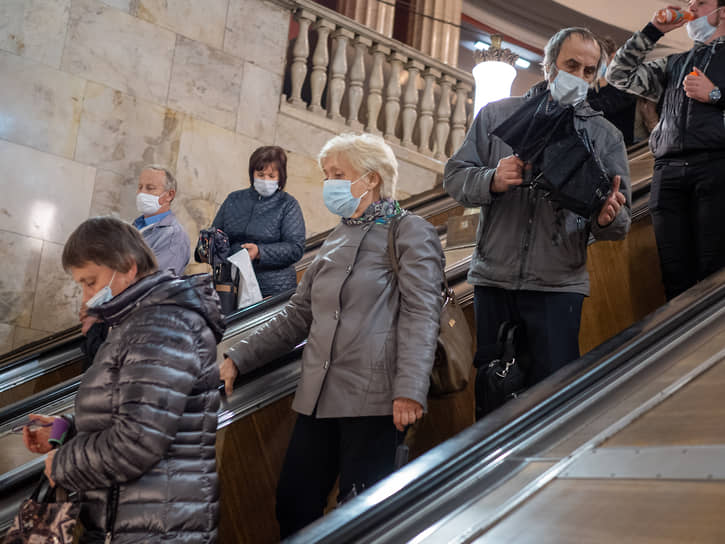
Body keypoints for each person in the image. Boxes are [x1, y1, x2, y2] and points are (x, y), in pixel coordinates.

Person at [218, 133, 444, 538]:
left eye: (338, 174)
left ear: (371, 179)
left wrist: (409, 388)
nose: (329, 185)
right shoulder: (335, 239)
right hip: (318, 398)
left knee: (359, 514)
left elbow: (421, 313)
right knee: (293, 502)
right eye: (327, 176)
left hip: (375, 400)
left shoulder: (410, 231)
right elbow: (297, 315)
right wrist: (238, 357)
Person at [444, 27, 631, 419]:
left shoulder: (606, 136)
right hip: (494, 280)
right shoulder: (497, 115)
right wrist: (491, 179)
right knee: (492, 396)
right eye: (571, 65)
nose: (579, 76)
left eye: (588, 70)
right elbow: (455, 178)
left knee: (552, 404)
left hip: (558, 287)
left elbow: (621, 223)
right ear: (548, 66)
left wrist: (606, 218)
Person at [22, 217, 224, 543]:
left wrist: (63, 462)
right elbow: (128, 409)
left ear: (128, 267)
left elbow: (137, 441)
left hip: (159, 526)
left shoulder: (163, 325)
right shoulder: (135, 322)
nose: (87, 297)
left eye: (91, 282)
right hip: (134, 518)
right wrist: (65, 429)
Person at [607, 1, 725, 300]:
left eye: (701, 2)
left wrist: (715, 94)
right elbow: (618, 74)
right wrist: (653, 31)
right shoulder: (674, 63)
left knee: (714, 272)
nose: (692, 8)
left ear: (722, 11)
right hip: (668, 174)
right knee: (674, 277)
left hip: (715, 168)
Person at [211, 146, 305, 298]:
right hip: (231, 284)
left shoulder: (288, 204)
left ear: (280, 177)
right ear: (252, 174)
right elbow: (216, 234)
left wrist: (260, 252)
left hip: (271, 288)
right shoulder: (234, 199)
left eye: (271, 176)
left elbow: (296, 247)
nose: (265, 180)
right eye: (260, 175)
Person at [133, 165, 191, 274]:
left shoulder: (174, 237)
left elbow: (155, 282)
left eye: (150, 188)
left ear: (169, 195)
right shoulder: (136, 226)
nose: (141, 193)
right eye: (140, 187)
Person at [587, 36, 638, 145]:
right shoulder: (591, 89)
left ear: (613, 57)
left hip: (624, 150)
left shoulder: (626, 84)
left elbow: (607, 105)